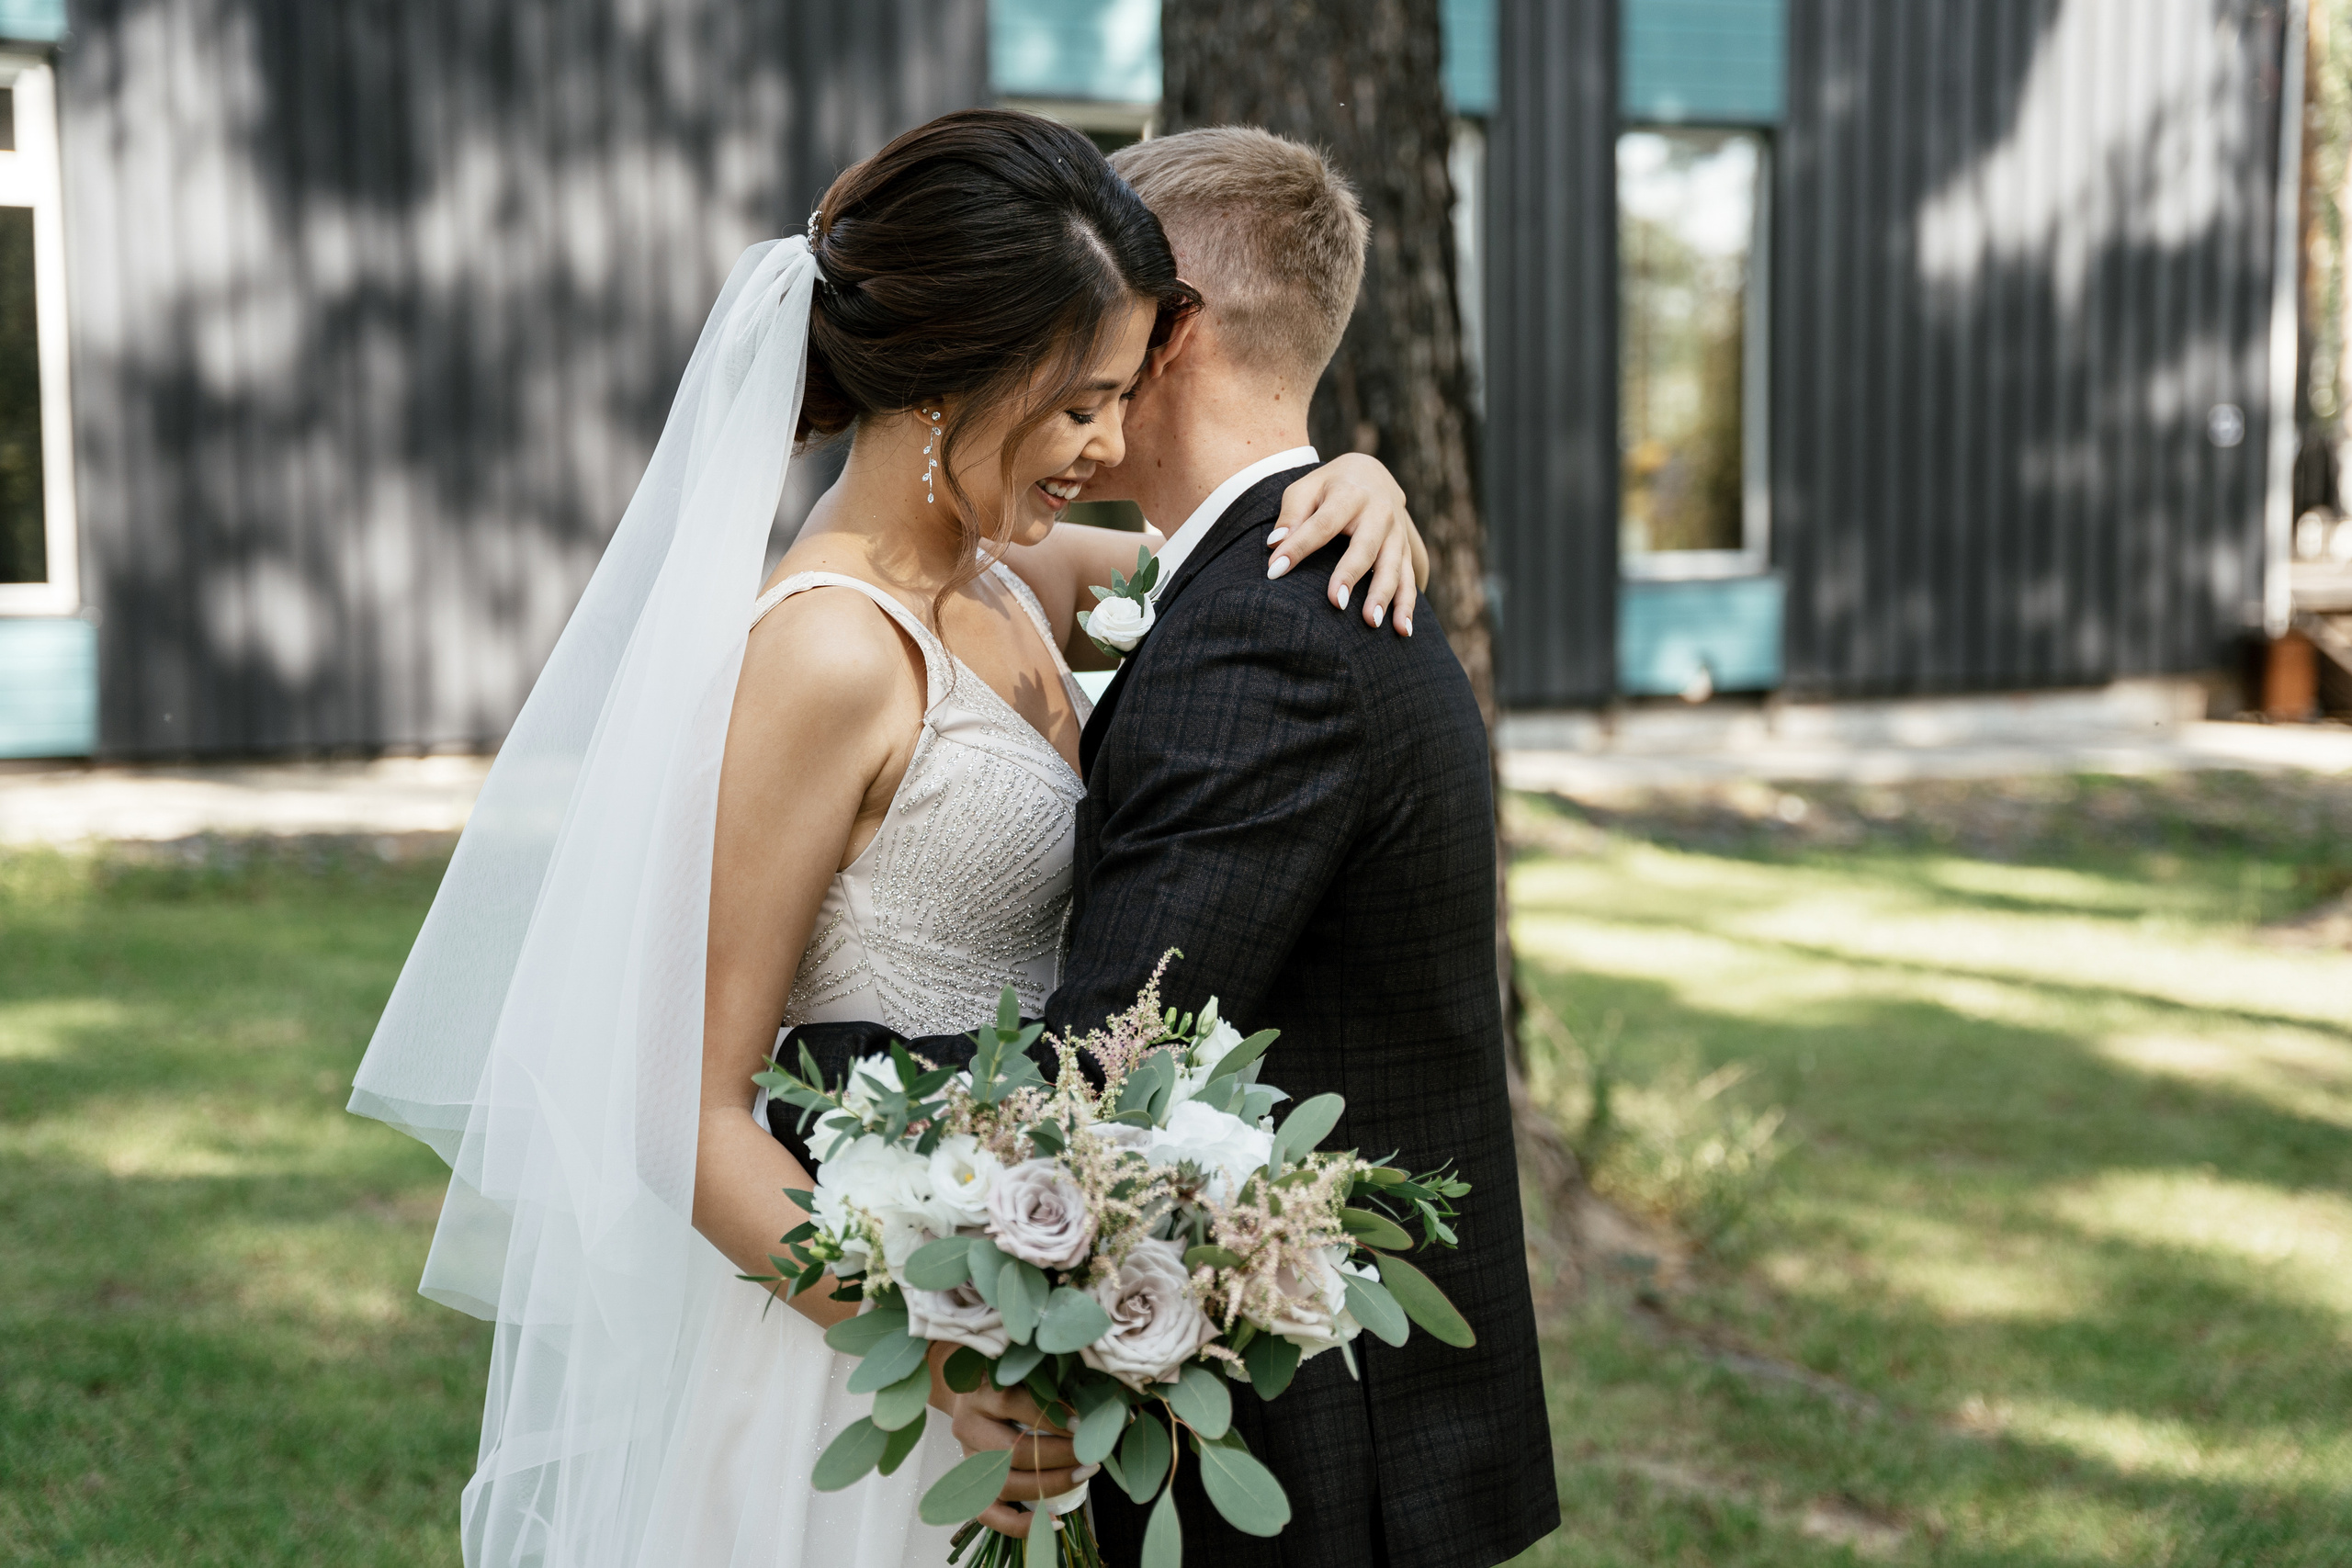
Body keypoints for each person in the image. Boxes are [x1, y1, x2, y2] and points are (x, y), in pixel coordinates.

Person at [345, 108, 1426, 1568]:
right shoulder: (830, 655)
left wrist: (1350, 481)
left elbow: (1226, 548)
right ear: (950, 383)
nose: (1108, 447)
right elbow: (686, 1111)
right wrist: (937, 1355)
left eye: (1121, 399)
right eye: (1080, 403)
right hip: (853, 1374)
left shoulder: (1007, 577)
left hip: (1007, 1309)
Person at [838, 127, 1559, 1567]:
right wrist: (1366, 470)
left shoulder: (1264, 630)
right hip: (1320, 1425)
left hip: (1300, 1455)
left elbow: (1109, 1059)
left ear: (1167, 334)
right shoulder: (1261, 579)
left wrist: (799, 1096)